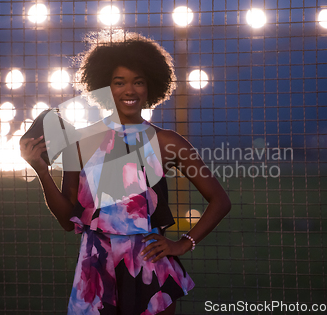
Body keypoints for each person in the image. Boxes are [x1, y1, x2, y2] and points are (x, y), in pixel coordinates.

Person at [20, 30, 231, 315]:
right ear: (106, 87)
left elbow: (220, 201)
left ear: (151, 87)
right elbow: (67, 221)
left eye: (138, 82)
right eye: (119, 82)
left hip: (149, 265)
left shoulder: (167, 142)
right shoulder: (80, 143)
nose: (129, 90)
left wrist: (183, 244)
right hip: (95, 267)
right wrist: (42, 172)